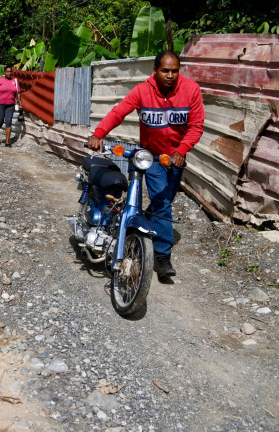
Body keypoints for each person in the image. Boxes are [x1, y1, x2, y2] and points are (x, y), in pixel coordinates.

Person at [88, 50, 205, 278]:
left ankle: (143, 223)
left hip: (176, 158)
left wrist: (181, 150)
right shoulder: (142, 90)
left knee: (166, 200)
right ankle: (162, 256)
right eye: (165, 71)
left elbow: (196, 125)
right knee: (162, 203)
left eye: (174, 71)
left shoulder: (191, 90)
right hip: (151, 156)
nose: (170, 75)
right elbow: (119, 112)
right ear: (155, 71)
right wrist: (98, 133)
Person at [0, 66, 20, 147]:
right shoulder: (0, 81)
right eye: (7, 72)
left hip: (10, 105)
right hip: (0, 104)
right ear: (4, 72)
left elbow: (18, 94)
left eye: (10, 72)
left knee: (8, 122)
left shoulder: (15, 81)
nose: (9, 73)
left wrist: (19, 104)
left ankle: (7, 142)